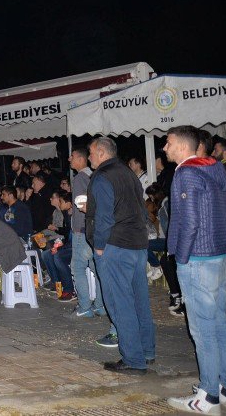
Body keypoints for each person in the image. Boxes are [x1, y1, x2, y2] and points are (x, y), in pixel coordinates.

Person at [164, 126, 226, 414]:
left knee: (203, 331)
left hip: (198, 260)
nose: (165, 149)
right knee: (220, 326)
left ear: (182, 147)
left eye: (168, 144)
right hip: (219, 257)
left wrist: (180, 258)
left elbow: (190, 221)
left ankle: (207, 396)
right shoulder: (216, 171)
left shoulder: (186, 172)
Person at [87, 136, 155, 375]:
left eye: (92, 153)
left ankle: (133, 359)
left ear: (102, 153)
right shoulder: (129, 174)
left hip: (115, 245)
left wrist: (99, 244)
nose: (89, 158)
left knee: (120, 302)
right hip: (137, 243)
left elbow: (105, 215)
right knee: (139, 300)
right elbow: (140, 208)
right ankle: (146, 351)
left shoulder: (102, 176)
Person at [67, 146, 108, 320]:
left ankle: (84, 306)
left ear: (81, 159)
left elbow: (83, 202)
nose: (69, 159)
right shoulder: (93, 176)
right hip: (92, 228)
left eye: (72, 156)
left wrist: (77, 224)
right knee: (95, 268)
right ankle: (100, 305)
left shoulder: (79, 178)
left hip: (82, 230)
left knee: (77, 268)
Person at [40, 190, 75, 301]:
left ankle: (69, 289)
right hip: (68, 244)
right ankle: (57, 283)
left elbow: (66, 234)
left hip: (75, 246)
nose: (60, 204)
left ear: (69, 203)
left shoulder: (75, 215)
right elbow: (66, 232)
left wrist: (57, 243)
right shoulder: (67, 215)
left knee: (58, 256)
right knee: (47, 254)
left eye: (61, 201)